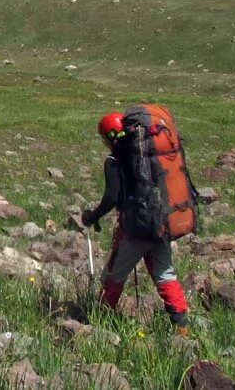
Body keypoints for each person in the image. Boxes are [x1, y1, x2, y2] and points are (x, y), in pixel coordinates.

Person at [82, 112, 191, 334]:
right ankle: (182, 328)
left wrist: (92, 217)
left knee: (113, 275)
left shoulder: (114, 161)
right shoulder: (149, 156)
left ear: (110, 137)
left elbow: (111, 197)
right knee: (165, 274)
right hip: (161, 222)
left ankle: (102, 323)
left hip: (135, 228)